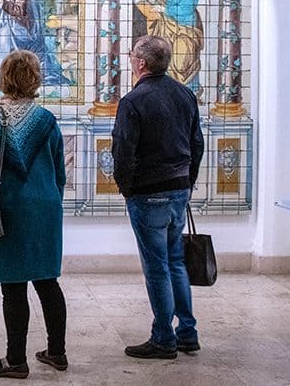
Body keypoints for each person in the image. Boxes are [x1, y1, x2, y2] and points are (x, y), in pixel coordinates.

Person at [0, 50, 68, 379]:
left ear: (3, 77)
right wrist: (50, 202)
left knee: (14, 287)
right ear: (35, 79)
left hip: (9, 209)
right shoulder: (47, 120)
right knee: (48, 282)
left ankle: (15, 360)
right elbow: (60, 173)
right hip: (45, 208)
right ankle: (56, 352)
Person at [111, 35, 204, 359]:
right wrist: (187, 182)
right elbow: (197, 144)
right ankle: (187, 332)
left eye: (132, 55)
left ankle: (164, 338)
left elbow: (123, 151)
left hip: (148, 194)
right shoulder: (185, 94)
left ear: (141, 63)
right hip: (178, 190)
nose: (130, 59)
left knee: (157, 268)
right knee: (175, 262)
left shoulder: (133, 101)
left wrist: (127, 187)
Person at [134, 0, 204, 96]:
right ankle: (168, 91)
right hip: (167, 27)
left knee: (183, 58)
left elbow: (187, 8)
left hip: (186, 28)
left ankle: (188, 91)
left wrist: (164, 9)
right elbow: (160, 0)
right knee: (166, 55)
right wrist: (151, 0)